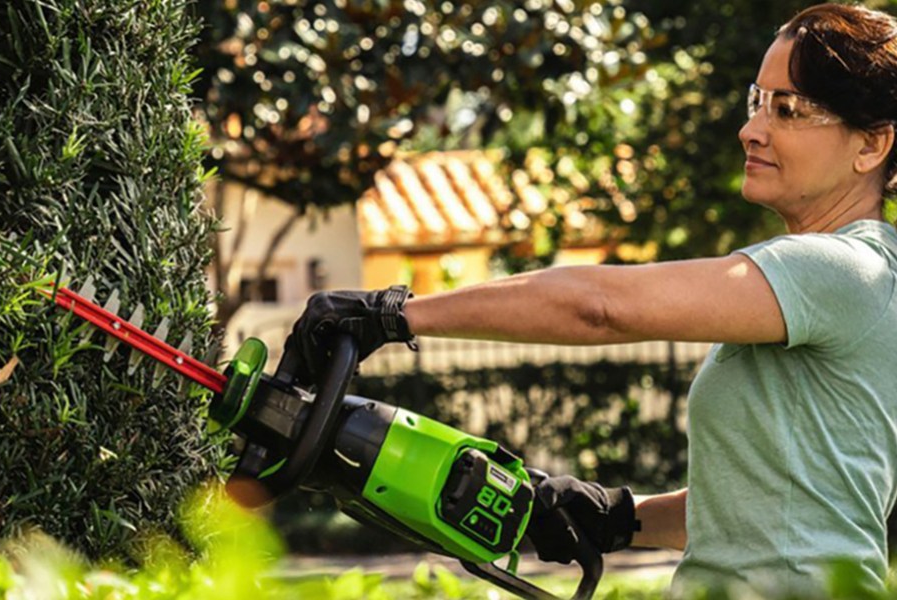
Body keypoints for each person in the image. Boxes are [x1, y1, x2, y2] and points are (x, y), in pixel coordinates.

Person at [282, 3, 897, 596]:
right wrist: (612, 515)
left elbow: (599, 306)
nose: (750, 129)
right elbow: (770, 511)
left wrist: (393, 314)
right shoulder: (837, 284)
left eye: (786, 109)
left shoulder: (845, 271)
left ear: (871, 145)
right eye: (756, 101)